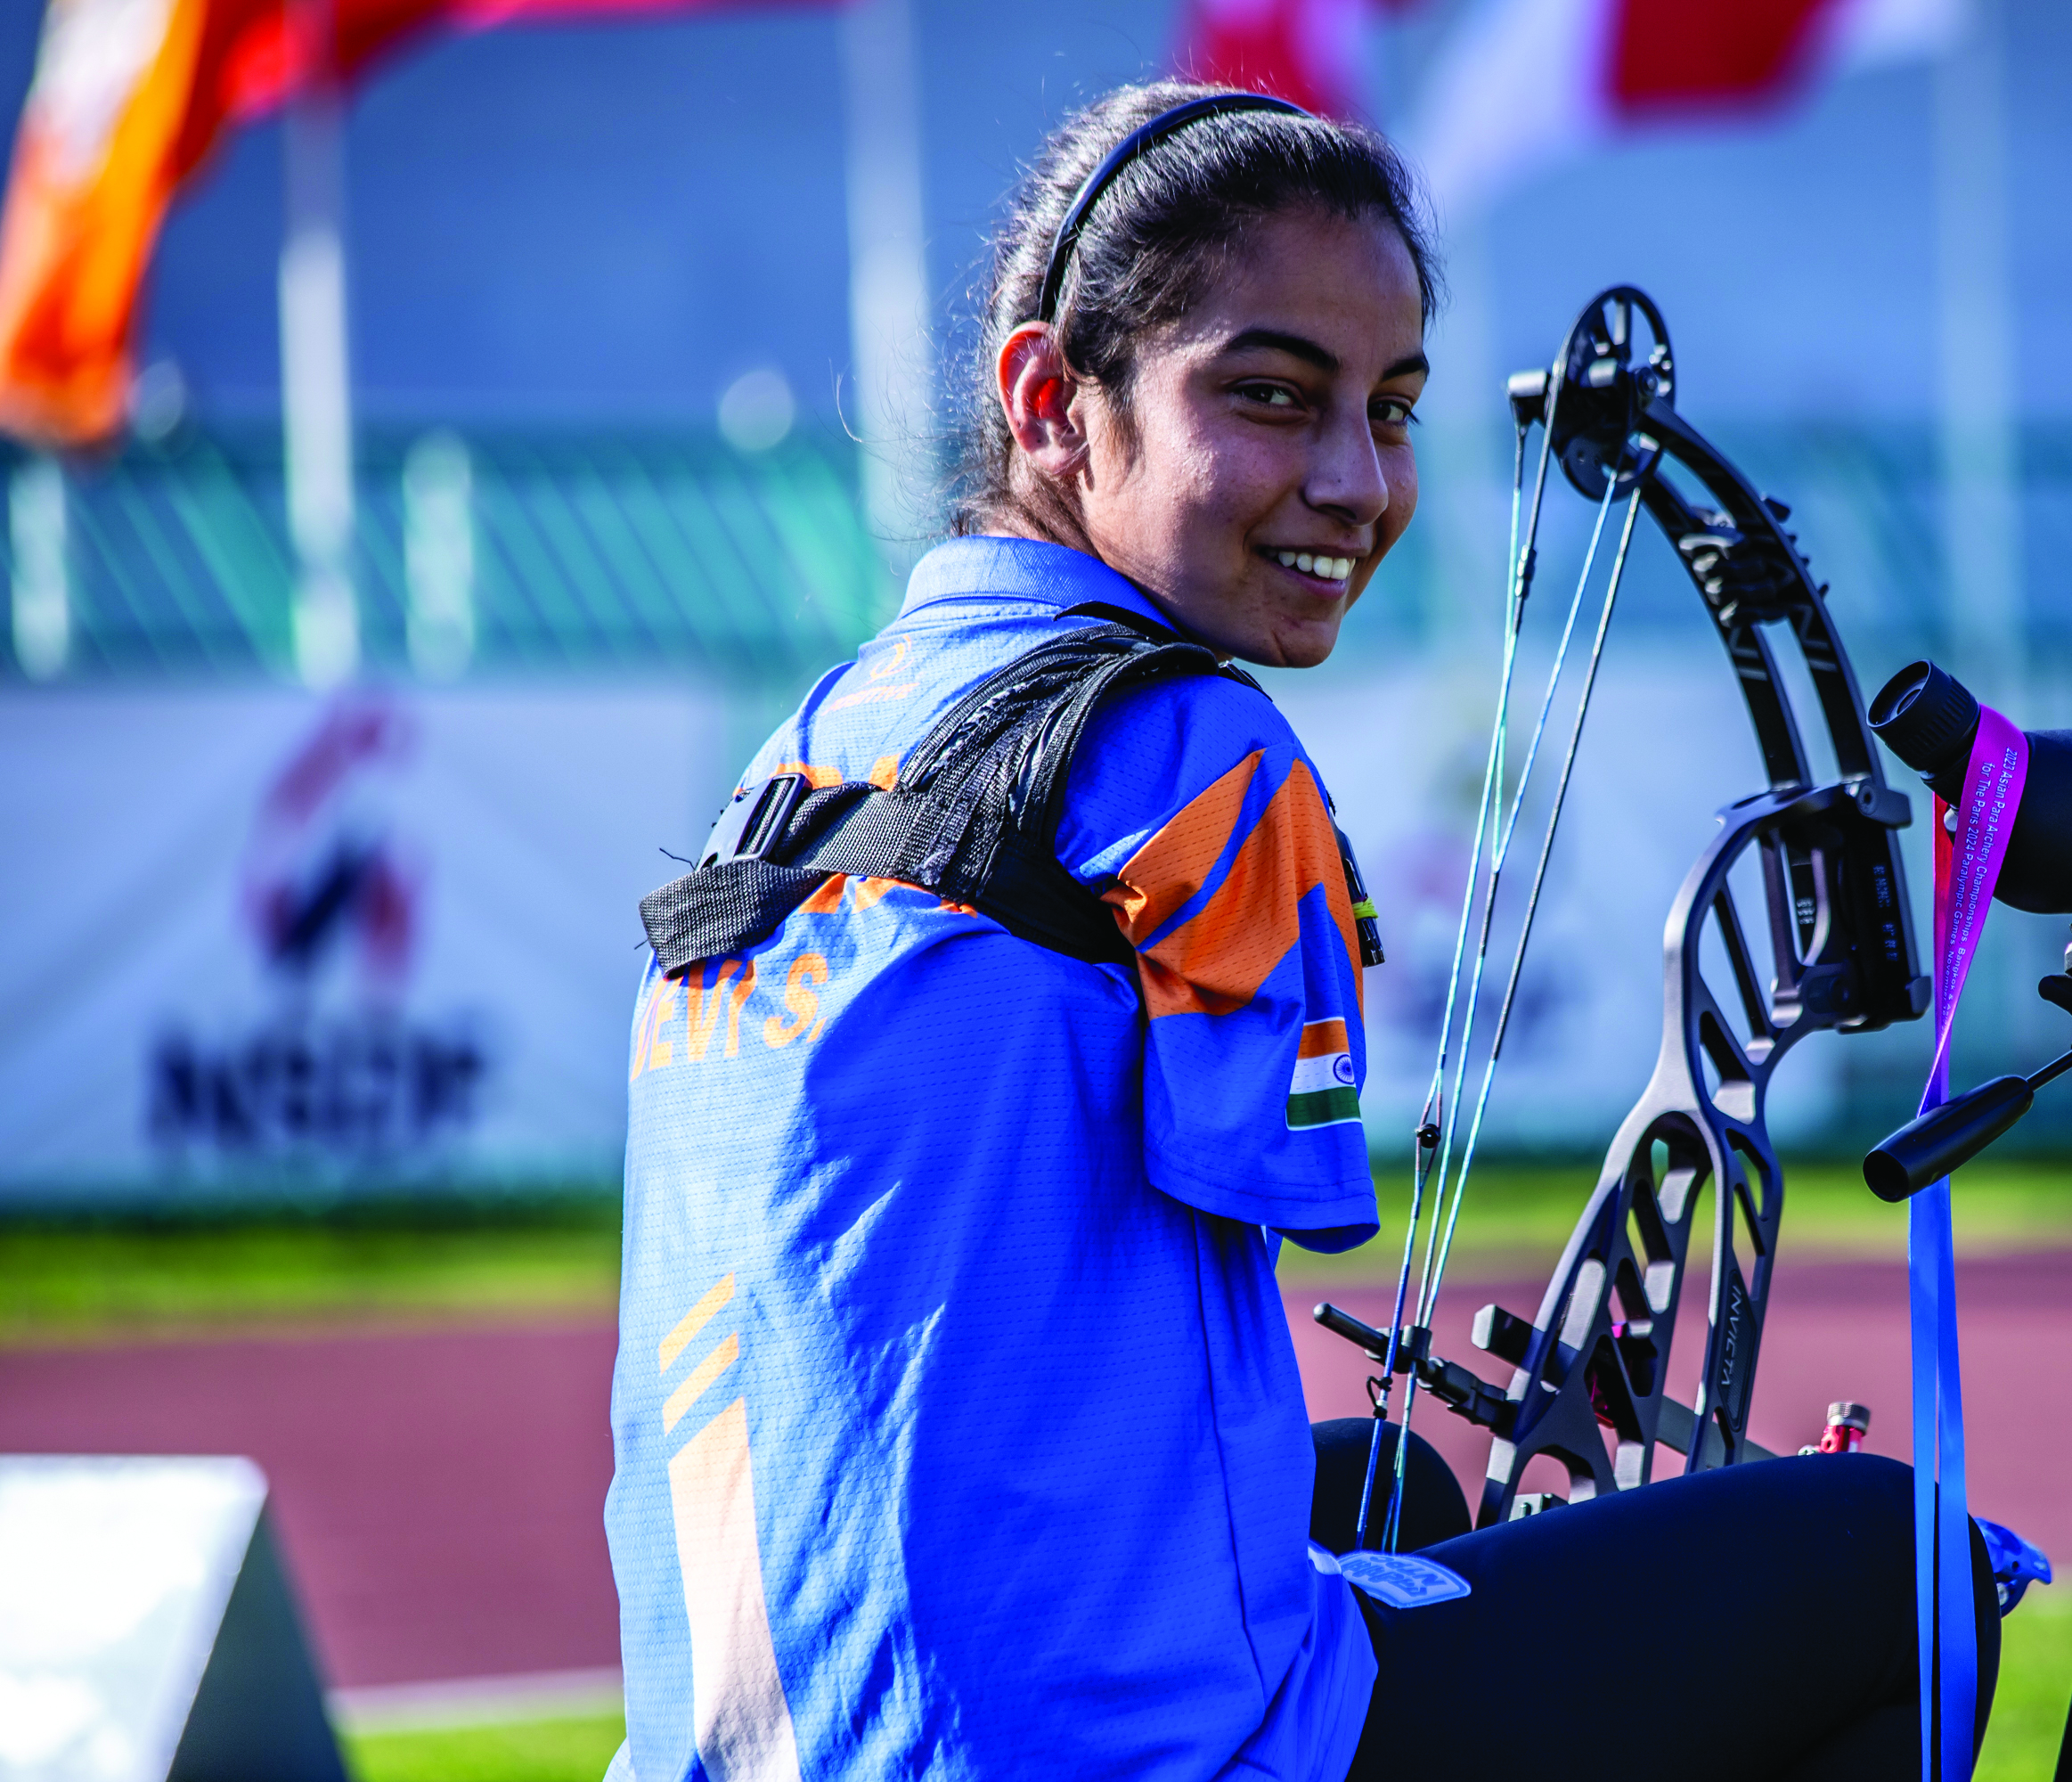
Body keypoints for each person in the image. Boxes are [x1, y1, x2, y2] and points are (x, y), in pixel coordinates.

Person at [603, 82, 1995, 1782]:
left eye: (1392, 409)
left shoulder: (820, 737)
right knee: (1896, 1565)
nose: (1353, 481)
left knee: (1389, 1490)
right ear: (1053, 401)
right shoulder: (1190, 749)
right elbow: (1296, 1206)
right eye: (1269, 397)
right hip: (1107, 1756)